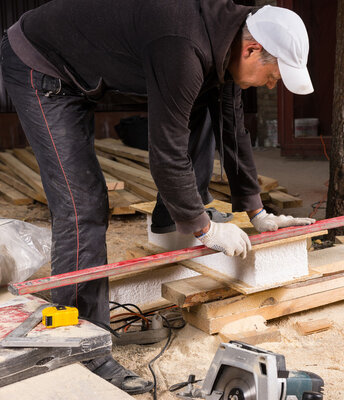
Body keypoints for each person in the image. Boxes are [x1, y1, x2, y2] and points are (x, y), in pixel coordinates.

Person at [0, 0, 315, 394]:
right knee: (83, 205)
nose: (272, 84)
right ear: (251, 50)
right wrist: (203, 228)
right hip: (40, 65)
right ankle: (84, 348)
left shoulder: (228, 39)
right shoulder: (183, 47)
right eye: (274, 75)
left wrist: (257, 210)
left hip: (83, 62)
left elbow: (232, 129)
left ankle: (173, 216)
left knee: (204, 105)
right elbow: (165, 153)